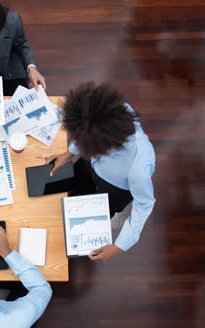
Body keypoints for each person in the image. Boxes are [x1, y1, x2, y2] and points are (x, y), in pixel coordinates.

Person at [46, 82, 156, 262]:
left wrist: (120, 245)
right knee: (74, 195)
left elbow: (144, 205)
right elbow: (85, 133)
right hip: (90, 165)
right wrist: (68, 153)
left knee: (100, 215)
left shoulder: (139, 168)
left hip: (115, 189)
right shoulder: (113, 112)